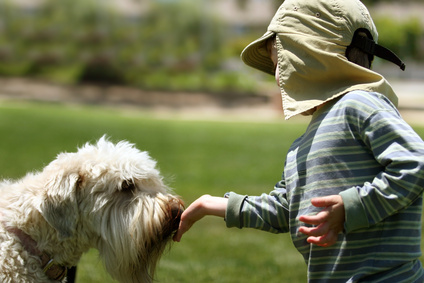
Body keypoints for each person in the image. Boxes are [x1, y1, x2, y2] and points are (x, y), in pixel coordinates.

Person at [173, 0, 424, 282]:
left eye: (280, 62)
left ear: (312, 55)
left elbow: (415, 163)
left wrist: (352, 207)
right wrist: (215, 205)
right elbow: (287, 210)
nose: (276, 77)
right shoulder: (300, 147)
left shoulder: (359, 104)